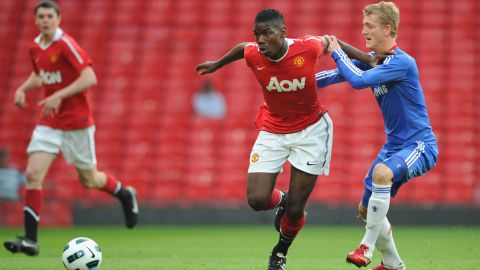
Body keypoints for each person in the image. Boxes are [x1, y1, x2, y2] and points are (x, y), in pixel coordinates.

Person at [195, 8, 337, 270]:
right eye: (257, 35)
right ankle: (280, 200)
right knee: (257, 200)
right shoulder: (254, 53)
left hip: (311, 132)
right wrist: (217, 64)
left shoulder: (307, 48)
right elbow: (242, 47)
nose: (260, 41)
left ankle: (279, 254)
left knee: (296, 210)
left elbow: (333, 41)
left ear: (283, 33)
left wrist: (367, 59)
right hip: (273, 129)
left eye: (266, 34)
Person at [4, 0, 138, 256]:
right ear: (35, 20)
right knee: (33, 175)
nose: (45, 20)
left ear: (58, 19)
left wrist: (58, 96)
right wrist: (23, 88)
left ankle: (124, 194)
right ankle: (31, 240)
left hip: (77, 122)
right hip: (50, 121)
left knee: (90, 179)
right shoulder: (35, 47)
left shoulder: (66, 44)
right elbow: (39, 74)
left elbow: (90, 77)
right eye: (41, 16)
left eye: (49, 16)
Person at [316, 2, 438, 269]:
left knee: (382, 173)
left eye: (369, 26)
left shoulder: (402, 62)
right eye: (363, 26)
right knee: (364, 208)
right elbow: (334, 76)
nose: (363, 31)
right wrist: (298, 84)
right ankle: (394, 264)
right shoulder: (374, 60)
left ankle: (366, 247)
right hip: (394, 145)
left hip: (419, 144)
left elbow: (358, 80)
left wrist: (336, 51)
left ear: (388, 28)